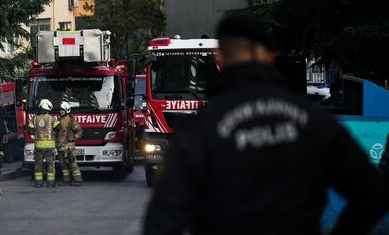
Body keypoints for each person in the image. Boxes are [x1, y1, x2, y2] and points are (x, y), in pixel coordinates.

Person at [144, 13, 389, 235]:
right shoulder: (315, 121)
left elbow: (162, 220)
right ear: (271, 58)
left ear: (219, 59)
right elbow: (372, 194)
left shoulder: (202, 129)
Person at [27, 99, 61, 188]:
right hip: (49, 147)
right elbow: (59, 128)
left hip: (38, 146)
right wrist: (53, 134)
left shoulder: (34, 119)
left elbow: (29, 130)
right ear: (48, 108)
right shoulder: (52, 119)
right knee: (50, 165)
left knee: (38, 165)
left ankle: (38, 183)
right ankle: (50, 183)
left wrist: (35, 133)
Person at [57, 101, 83, 186]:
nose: (61, 111)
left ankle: (78, 180)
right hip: (60, 147)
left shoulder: (71, 121)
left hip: (70, 147)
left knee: (73, 164)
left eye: (62, 110)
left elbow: (80, 131)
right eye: (60, 110)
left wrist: (74, 137)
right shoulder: (58, 120)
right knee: (63, 165)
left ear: (67, 110)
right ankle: (66, 180)